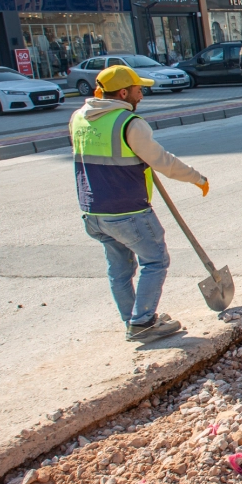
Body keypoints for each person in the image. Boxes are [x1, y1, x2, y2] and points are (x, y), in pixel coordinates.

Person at [71, 64, 209, 340]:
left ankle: (132, 320)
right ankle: (143, 322)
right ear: (123, 92)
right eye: (138, 90)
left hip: (92, 211)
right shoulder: (129, 123)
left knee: (119, 268)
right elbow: (163, 162)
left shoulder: (79, 118)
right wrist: (197, 178)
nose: (141, 95)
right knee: (155, 260)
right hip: (128, 210)